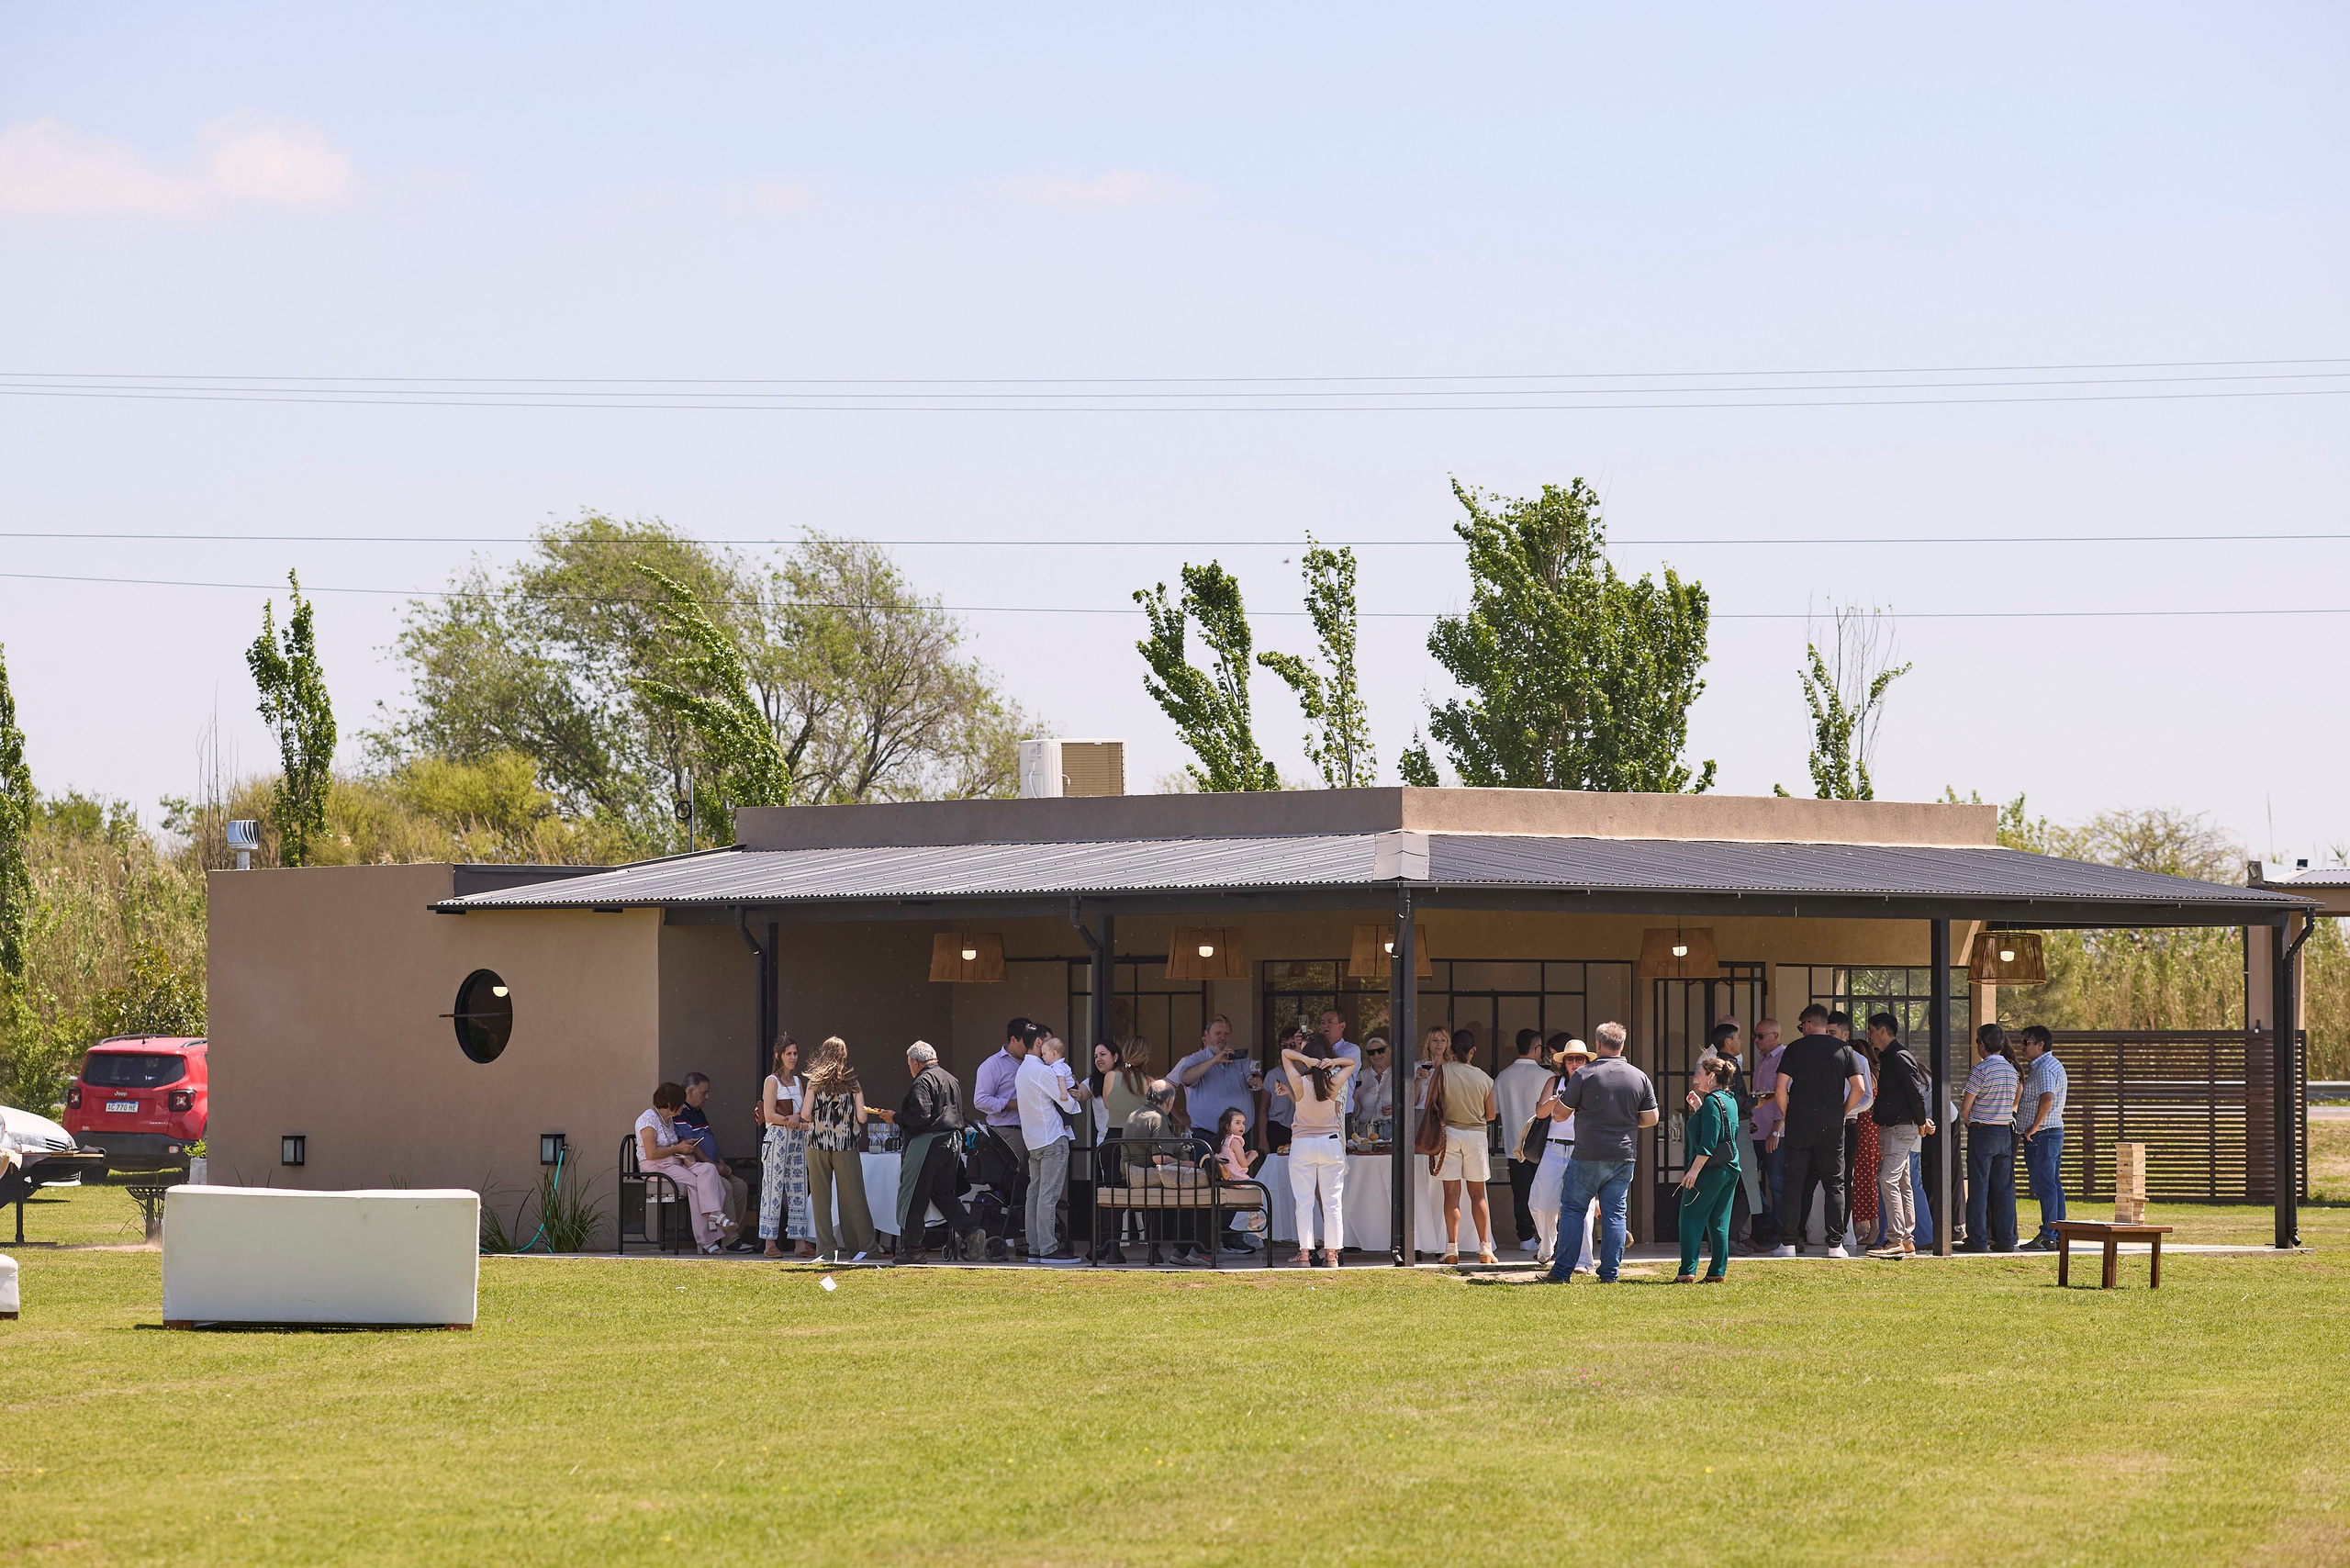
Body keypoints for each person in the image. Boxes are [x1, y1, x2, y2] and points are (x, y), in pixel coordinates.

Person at [1542, 1021, 1659, 1282]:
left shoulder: (1584, 1075)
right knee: (1616, 1212)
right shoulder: (1638, 1076)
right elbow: (1652, 1118)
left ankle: (1561, 1272)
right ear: (1622, 1045)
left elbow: (1560, 1115)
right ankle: (1609, 1274)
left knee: (1573, 1209)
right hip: (1623, 1155)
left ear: (1597, 1045)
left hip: (1587, 1154)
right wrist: (1626, 1121)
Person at [1771, 1004, 1865, 1258]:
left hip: (1800, 1123)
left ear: (1810, 1023)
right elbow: (1859, 1087)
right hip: (1832, 1125)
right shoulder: (1845, 1050)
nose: (1801, 1030)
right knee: (1836, 1183)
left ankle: (1789, 1243)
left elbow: (1780, 1088)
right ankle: (1836, 1244)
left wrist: (1786, 1114)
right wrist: (1843, 1113)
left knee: (1794, 1183)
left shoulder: (1795, 1048)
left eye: (1802, 1026)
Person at [887, 1041, 982, 1264]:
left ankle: (913, 1251)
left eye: (909, 1065)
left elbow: (920, 1117)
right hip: (953, 1143)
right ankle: (970, 1230)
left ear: (916, 1063)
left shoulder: (922, 1081)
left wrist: (895, 1117)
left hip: (927, 1144)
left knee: (913, 1196)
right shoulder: (951, 1079)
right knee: (943, 1194)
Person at [1280, 1035, 1358, 1269]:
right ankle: (1332, 1254)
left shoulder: (1299, 1082)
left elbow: (1285, 1054)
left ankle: (1305, 1253)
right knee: (1333, 1201)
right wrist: (1330, 1063)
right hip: (1330, 1143)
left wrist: (1307, 1059)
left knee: (1303, 1202)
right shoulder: (1333, 1083)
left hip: (1303, 1144)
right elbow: (1351, 1063)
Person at [635, 1081, 738, 1254]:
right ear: (670, 1103)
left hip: (675, 1163)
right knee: (696, 1183)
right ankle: (705, 1237)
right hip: (656, 1168)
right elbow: (651, 1153)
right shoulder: (648, 1119)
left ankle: (714, 1214)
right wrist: (678, 1148)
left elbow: (673, 1145)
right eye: (681, 1102)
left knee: (708, 1170)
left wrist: (685, 1147)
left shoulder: (668, 1120)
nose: (684, 1106)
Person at [1863, 1014, 1934, 1260]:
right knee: (1902, 1182)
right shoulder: (1889, 1056)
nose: (1868, 1034)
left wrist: (1920, 1121)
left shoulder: (1899, 1056)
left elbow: (1914, 1092)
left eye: (1871, 1029)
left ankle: (1894, 1239)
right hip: (1893, 1127)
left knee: (1887, 1180)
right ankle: (1906, 1240)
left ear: (1883, 1031)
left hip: (1899, 1129)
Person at [802, 1036, 878, 1263]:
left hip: (817, 1144)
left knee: (820, 1199)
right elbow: (863, 1117)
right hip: (845, 1145)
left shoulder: (814, 1082)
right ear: (844, 1056)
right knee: (853, 1198)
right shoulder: (852, 1083)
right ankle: (864, 1248)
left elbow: (805, 1114)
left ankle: (825, 1251)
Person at [1674, 1051, 1744, 1283]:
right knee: (1719, 1222)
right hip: (1730, 1169)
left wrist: (1693, 1171)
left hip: (1710, 1170)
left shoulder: (1714, 1102)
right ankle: (1716, 1272)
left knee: (1690, 1218)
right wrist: (1699, 1108)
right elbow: (1720, 1129)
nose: (1698, 1076)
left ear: (1712, 1076)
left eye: (1701, 1073)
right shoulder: (1729, 1100)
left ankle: (1687, 1271)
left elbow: (1708, 1142)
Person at [1528, 1036, 1595, 1271]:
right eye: (1570, 1059)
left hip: (1582, 1149)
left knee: (1583, 1207)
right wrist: (1554, 1102)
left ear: (1586, 1061)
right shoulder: (1554, 1082)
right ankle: (1547, 1246)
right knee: (1543, 1204)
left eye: (1579, 1059)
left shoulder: (1593, 1083)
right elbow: (1540, 1112)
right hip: (1554, 1147)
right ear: (1563, 1063)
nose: (1575, 1063)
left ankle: (1584, 1261)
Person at [1015, 1032, 1084, 1260]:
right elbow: (1066, 1103)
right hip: (1052, 1137)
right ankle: (1049, 1247)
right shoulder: (1043, 1071)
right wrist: (1076, 1100)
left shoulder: (1022, 1070)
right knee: (1048, 1195)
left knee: (1034, 1194)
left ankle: (1035, 1247)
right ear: (1038, 1042)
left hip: (1033, 1140)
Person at [1435, 1032, 1499, 1265]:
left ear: (1451, 1049)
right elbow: (1491, 1114)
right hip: (1476, 1135)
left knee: (1451, 1194)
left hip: (1449, 1133)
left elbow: (1434, 1104)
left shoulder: (1443, 1072)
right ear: (1473, 1051)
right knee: (1478, 1194)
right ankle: (1485, 1248)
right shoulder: (1484, 1078)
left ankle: (1452, 1249)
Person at [971, 1019, 1037, 1246]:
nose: (1030, 1047)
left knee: (1033, 1185)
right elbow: (980, 1100)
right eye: (1026, 1042)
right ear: (1013, 1039)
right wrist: (1012, 1104)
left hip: (1035, 1131)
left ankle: (1030, 1241)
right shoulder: (992, 1065)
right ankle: (1022, 1241)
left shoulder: (1036, 1063)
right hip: (1007, 1132)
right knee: (1017, 1184)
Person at [675, 1072, 755, 1249]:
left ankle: (735, 1235)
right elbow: (691, 1146)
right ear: (690, 1092)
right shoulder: (681, 1113)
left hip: (714, 1166)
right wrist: (714, 1165)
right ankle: (730, 1240)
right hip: (700, 1169)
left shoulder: (698, 1112)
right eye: (704, 1093)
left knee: (740, 1186)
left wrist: (721, 1162)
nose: (707, 1096)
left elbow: (710, 1139)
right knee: (725, 1188)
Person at [1961, 1023, 2022, 1253]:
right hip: (2003, 1131)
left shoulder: (1981, 1070)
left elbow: (1966, 1105)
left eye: (1977, 1041)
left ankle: (1977, 1239)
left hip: (1982, 1129)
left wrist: (1968, 1120)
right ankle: (2006, 1239)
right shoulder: (2011, 1070)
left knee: (1979, 1186)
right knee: (2003, 1188)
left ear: (1983, 1045)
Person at [757, 1035, 816, 1260]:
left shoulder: (798, 1081)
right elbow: (769, 1115)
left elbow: (803, 1110)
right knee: (773, 1188)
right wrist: (789, 1120)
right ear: (778, 1056)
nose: (793, 1058)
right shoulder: (772, 1081)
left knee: (798, 1188)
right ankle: (769, 1242)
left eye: (795, 1053)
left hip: (797, 1138)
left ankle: (799, 1242)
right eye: (788, 1053)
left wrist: (797, 1118)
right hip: (778, 1137)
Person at [1494, 1028, 1551, 1254]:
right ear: (1536, 1049)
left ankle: (1525, 1236)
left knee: (1521, 1191)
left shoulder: (1503, 1076)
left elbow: (1494, 1110)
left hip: (1513, 1144)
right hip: (1542, 1144)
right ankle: (1546, 1234)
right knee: (1546, 1190)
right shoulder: (1546, 1077)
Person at [2015, 1025, 2069, 1250]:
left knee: (2045, 1187)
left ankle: (2049, 1234)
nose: (2023, 1047)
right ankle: (2058, 1234)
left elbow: (2047, 1097)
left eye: (2027, 1042)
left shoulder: (2044, 1068)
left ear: (2040, 1045)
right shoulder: (2051, 1064)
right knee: (2053, 1185)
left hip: (2043, 1134)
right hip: (2052, 1132)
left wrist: (2033, 1128)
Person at [1175, 1015, 1262, 1147]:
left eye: (1226, 1033)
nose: (1223, 1037)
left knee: (1242, 1168)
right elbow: (1185, 1078)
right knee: (1208, 1168)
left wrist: (1256, 1081)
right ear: (1207, 1035)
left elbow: (1252, 1077)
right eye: (1218, 1033)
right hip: (1208, 1136)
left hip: (1239, 1137)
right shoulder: (1197, 1058)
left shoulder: (1240, 1059)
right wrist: (1214, 1060)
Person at [1748, 1017, 1787, 1248]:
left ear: (1775, 1036)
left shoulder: (1784, 1058)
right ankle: (1766, 1227)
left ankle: (1781, 1235)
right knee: (1749, 1181)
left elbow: (1785, 1096)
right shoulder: (1762, 1060)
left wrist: (1776, 1129)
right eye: (1755, 1036)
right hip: (1756, 1132)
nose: (1756, 1040)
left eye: (1761, 1036)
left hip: (1775, 1133)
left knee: (1777, 1185)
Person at [1212, 1107, 1267, 1252]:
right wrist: (1253, 1156)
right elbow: (1244, 1163)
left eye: (1243, 1123)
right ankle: (1253, 1221)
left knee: (1255, 1190)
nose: (1242, 1126)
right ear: (1228, 1126)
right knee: (1257, 1189)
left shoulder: (1224, 1140)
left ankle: (1254, 1222)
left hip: (1230, 1178)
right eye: (1237, 1123)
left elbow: (1233, 1158)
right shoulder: (1235, 1141)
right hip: (1238, 1179)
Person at [1261, 1023, 1307, 1154]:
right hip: (1278, 1128)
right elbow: (1263, 1109)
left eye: (1292, 1045)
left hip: (1302, 1127)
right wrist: (1263, 1139)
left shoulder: (1308, 1072)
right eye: (1284, 1046)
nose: (1288, 1049)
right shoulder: (1272, 1075)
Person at [1353, 1036, 1394, 1127]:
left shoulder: (1398, 1076)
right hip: (1367, 1131)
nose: (1376, 1055)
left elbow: (1410, 1103)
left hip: (1392, 1130)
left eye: (1380, 1050)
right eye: (1371, 1052)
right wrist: (1353, 1096)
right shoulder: (1360, 1077)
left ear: (1388, 1051)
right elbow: (1355, 1113)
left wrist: (1398, 1108)